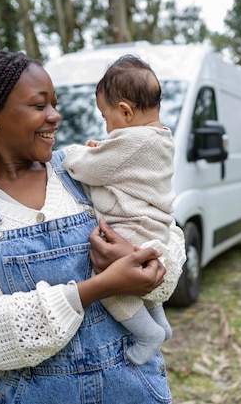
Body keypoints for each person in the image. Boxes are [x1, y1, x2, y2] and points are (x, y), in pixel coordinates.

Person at [0, 50, 186, 404]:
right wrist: (97, 288)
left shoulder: (78, 168)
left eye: (55, 104)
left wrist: (149, 264)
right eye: (39, 105)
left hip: (136, 388)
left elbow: (165, 230)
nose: (55, 116)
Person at [61, 55, 181, 365]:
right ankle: (161, 324)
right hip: (154, 229)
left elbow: (87, 169)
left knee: (113, 286)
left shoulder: (132, 142)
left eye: (105, 116)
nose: (106, 125)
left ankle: (148, 334)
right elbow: (121, 170)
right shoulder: (159, 139)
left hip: (132, 227)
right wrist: (102, 148)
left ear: (125, 111)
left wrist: (75, 153)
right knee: (142, 284)